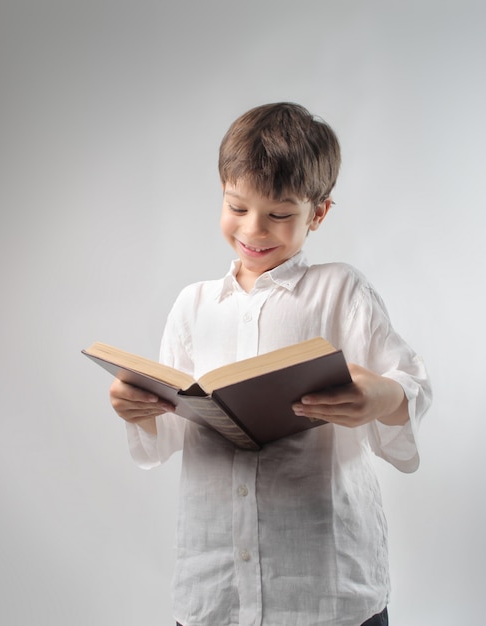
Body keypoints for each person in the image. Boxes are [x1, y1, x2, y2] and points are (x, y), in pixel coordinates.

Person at [109, 102, 432, 626]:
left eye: (280, 215)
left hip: (327, 586)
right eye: (237, 207)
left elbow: (410, 384)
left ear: (318, 214)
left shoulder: (340, 290)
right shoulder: (194, 306)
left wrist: (382, 397)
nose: (253, 229)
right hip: (215, 589)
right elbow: (167, 432)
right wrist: (139, 408)